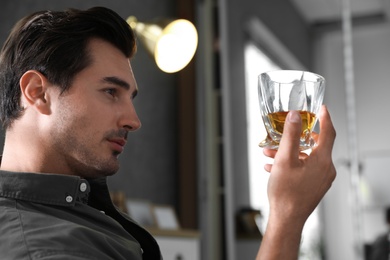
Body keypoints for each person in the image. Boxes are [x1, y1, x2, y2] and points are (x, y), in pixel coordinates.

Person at [0, 6, 337, 260]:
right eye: (110, 92)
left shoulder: (74, 209)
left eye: (129, 97)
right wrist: (287, 214)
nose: (134, 120)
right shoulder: (43, 248)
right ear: (38, 93)